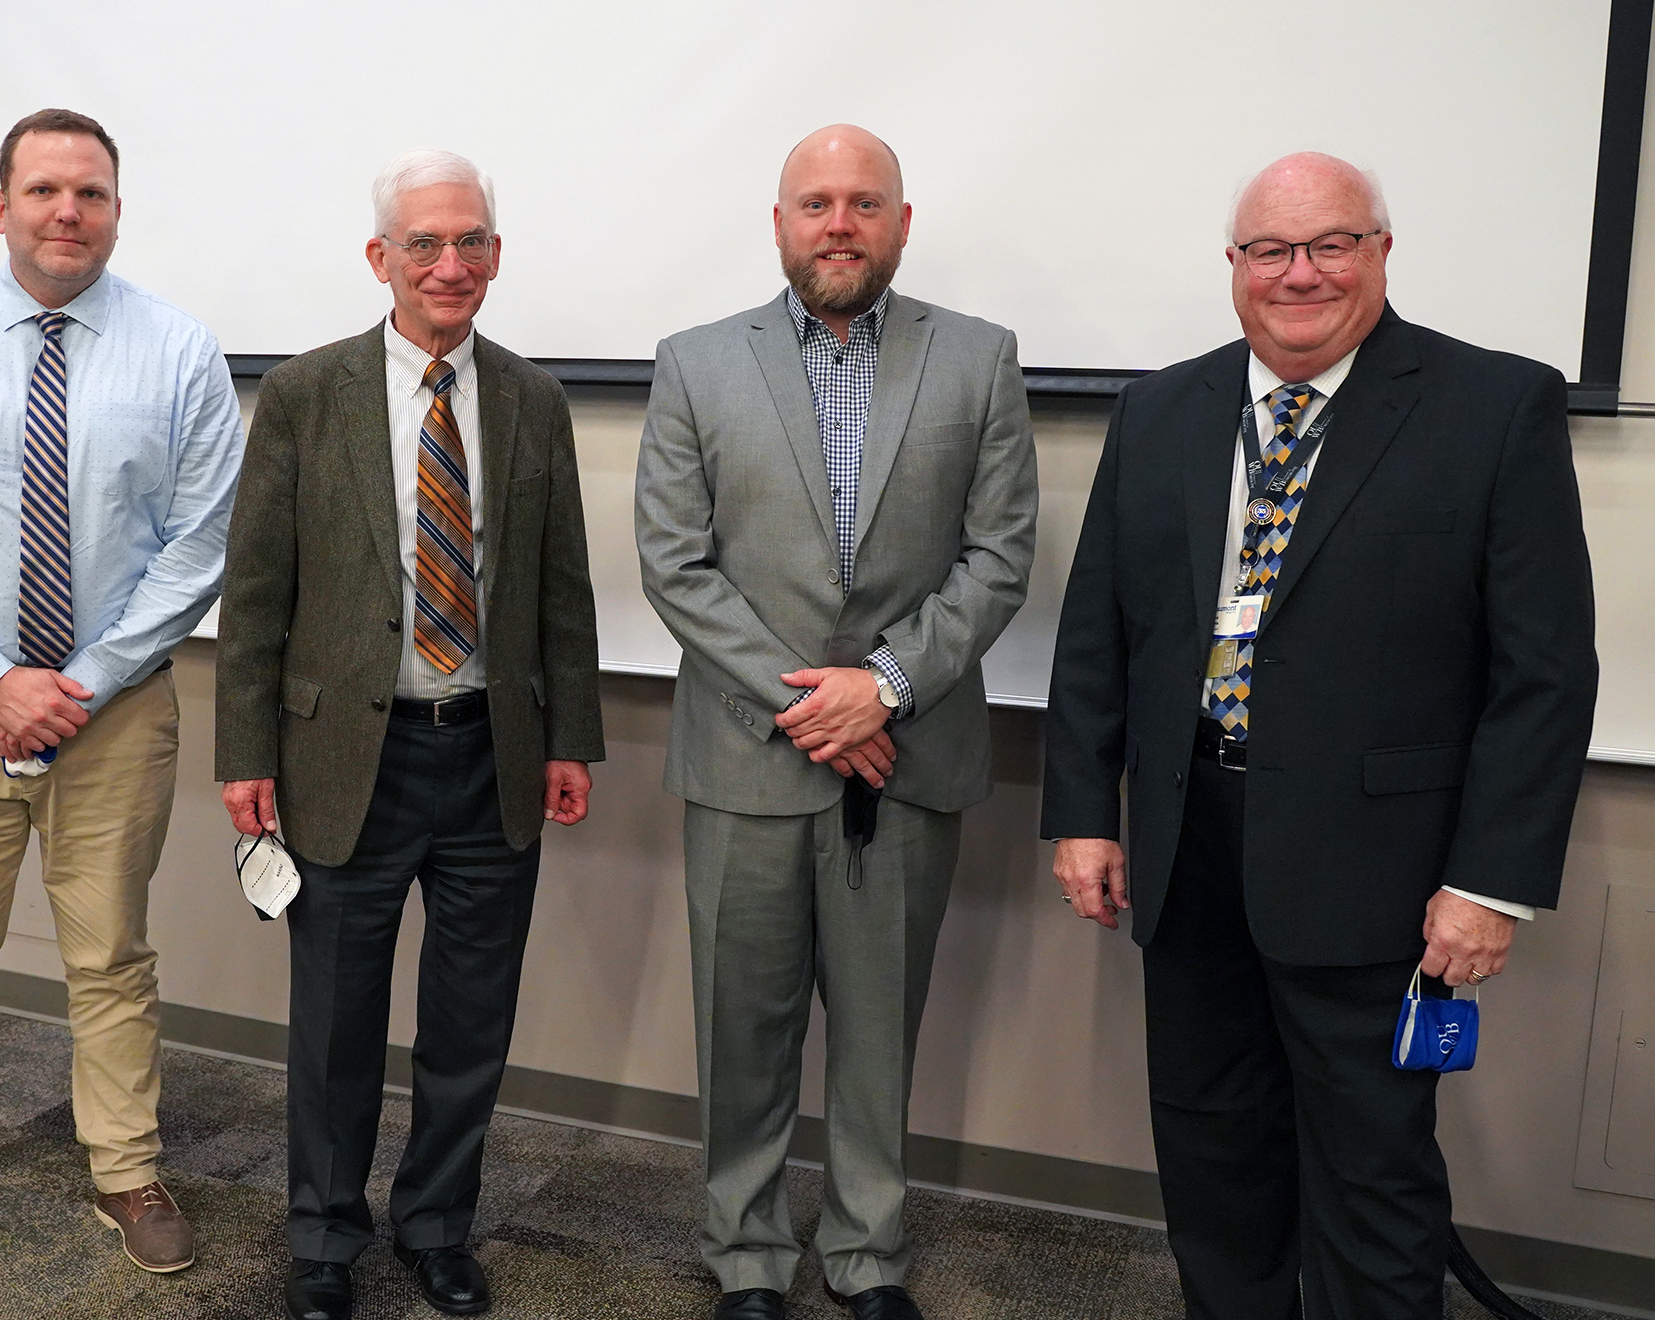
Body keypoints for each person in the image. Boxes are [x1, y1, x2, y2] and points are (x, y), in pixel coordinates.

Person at [1042, 152, 1598, 1319]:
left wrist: (1490, 884)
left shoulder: (1494, 405)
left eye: (1328, 244)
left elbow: (1542, 676)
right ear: (1234, 268)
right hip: (1189, 849)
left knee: (1372, 1177)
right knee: (1212, 1158)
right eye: (1269, 251)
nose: (1299, 274)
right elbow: (1100, 629)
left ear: (1380, 252)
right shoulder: (1159, 411)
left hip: (1381, 876)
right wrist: (1086, 817)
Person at [0, 108, 243, 1303]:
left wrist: (81, 684)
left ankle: (126, 1171)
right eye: (45, 191)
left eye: (92, 193)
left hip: (112, 717)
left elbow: (197, 543)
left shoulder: (178, 352)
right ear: (1, 203)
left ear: (117, 209)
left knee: (111, 957)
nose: (67, 212)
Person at [635, 125, 1037, 1320]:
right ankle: (746, 1254)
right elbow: (676, 565)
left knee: (879, 1033)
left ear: (901, 223)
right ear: (779, 224)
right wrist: (814, 704)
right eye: (815, 203)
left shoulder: (976, 360)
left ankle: (868, 1257)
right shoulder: (698, 361)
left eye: (865, 203)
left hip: (907, 758)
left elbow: (998, 553)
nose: (839, 223)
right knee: (741, 1031)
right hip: (747, 760)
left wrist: (887, 687)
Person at [214, 148, 603, 1320]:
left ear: (496, 255)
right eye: (425, 244)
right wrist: (245, 755)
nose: (451, 263)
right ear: (380, 259)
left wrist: (570, 738)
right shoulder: (304, 394)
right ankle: (324, 1238)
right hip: (344, 762)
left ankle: (437, 1224)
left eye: (471, 241)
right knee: (335, 1021)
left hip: (493, 755)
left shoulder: (533, 399)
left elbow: (562, 589)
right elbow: (256, 594)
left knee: (470, 1021)